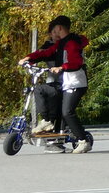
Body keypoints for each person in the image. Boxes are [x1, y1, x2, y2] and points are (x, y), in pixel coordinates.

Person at [18, 15, 92, 154]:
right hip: (66, 83)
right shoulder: (61, 43)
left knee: (67, 112)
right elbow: (46, 52)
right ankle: (49, 123)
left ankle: (84, 141)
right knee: (62, 110)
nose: (53, 33)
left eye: (54, 30)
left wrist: (61, 67)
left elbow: (76, 62)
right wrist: (29, 58)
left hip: (76, 82)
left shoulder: (71, 43)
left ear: (59, 28)